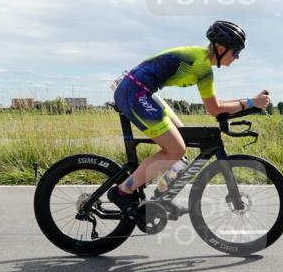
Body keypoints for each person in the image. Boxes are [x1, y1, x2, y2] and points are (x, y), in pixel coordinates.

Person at [108, 20, 271, 209]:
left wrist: (251, 101)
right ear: (220, 48)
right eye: (236, 51)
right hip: (134, 93)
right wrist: (251, 103)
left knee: (182, 139)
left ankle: (161, 198)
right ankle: (122, 192)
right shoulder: (201, 65)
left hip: (140, 91)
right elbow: (215, 110)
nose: (237, 57)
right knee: (176, 149)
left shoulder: (202, 62)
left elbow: (216, 104)